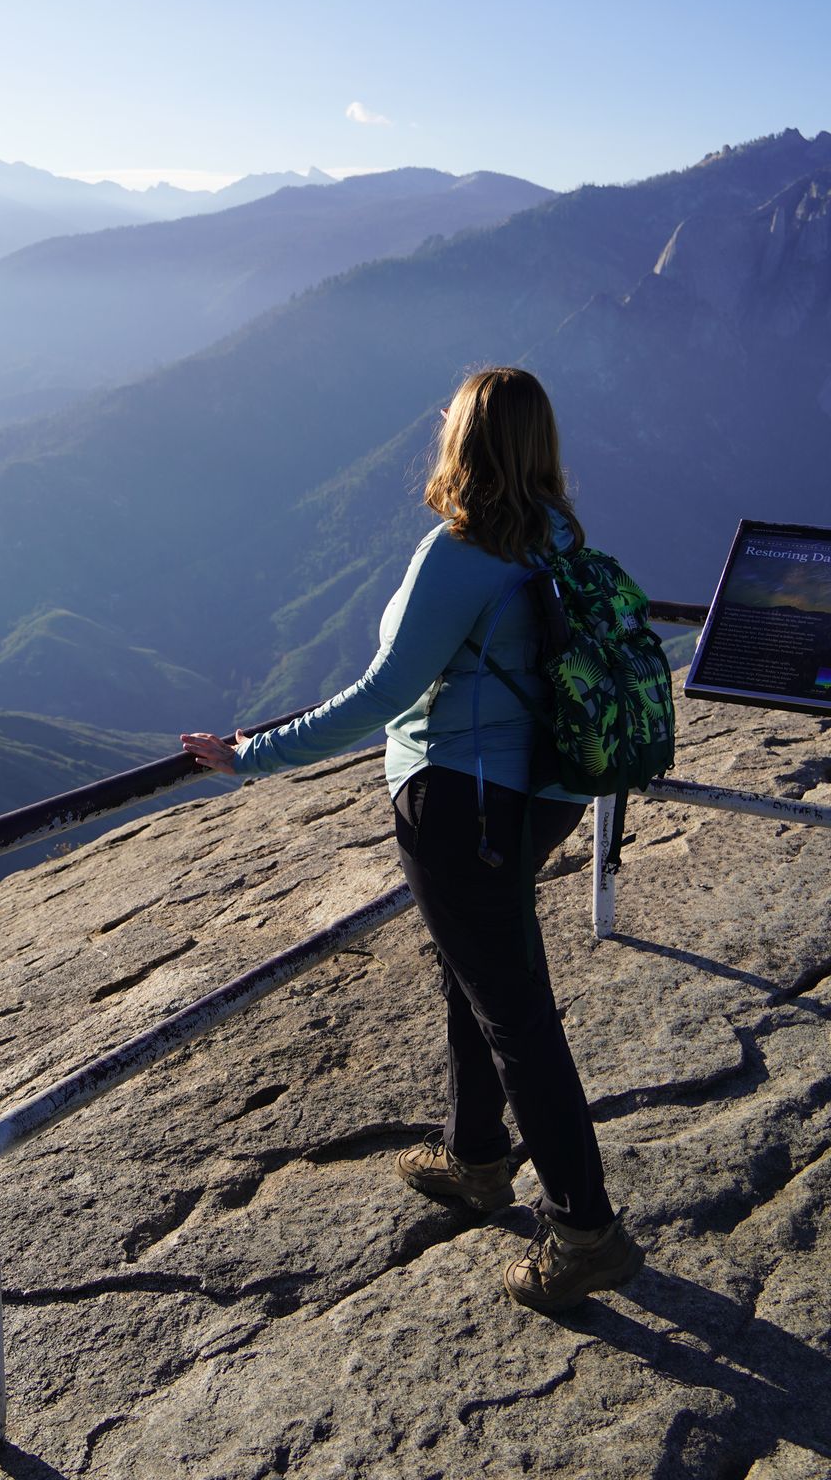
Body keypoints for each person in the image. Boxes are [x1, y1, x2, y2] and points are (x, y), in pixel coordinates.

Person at [181, 365, 643, 1313]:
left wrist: (250, 755)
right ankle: (477, 1157)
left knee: (514, 1009)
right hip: (538, 794)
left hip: (462, 805)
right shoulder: (557, 538)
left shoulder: (461, 554)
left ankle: (585, 1229)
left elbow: (382, 694)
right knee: (475, 978)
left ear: (463, 441)